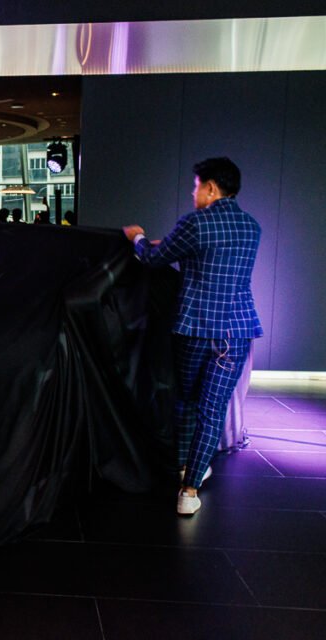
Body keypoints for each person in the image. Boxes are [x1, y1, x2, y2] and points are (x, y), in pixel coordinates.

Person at [123, 157, 262, 516]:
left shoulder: (196, 223)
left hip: (195, 328)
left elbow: (153, 258)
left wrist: (136, 237)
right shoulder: (251, 227)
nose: (193, 192)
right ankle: (189, 488)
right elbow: (217, 259)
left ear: (212, 188)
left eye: (197, 185)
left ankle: (185, 464)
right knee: (212, 410)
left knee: (185, 400)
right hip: (236, 331)